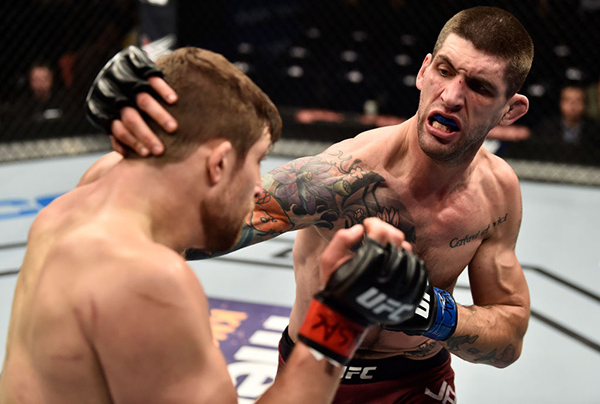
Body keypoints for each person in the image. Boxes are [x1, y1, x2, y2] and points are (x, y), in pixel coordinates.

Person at [84, 6, 534, 403]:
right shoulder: (338, 178)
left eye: (478, 86)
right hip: (316, 372)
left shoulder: (497, 193)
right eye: (445, 71)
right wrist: (132, 139)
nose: (452, 96)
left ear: (510, 111)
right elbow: (158, 229)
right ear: (423, 71)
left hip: (417, 382)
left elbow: (509, 336)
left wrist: (431, 313)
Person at [0, 46, 428, 403]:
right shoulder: (145, 278)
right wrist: (340, 317)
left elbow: (136, 159)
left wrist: (133, 105)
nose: (260, 189)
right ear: (219, 162)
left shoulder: (71, 208)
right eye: (257, 162)